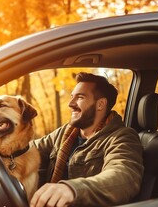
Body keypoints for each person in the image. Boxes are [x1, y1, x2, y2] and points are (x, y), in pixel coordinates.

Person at [30, 72, 144, 207]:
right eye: (72, 97)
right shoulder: (66, 132)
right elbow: (29, 150)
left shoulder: (122, 137)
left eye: (80, 97)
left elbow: (124, 176)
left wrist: (73, 189)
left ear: (100, 104)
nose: (70, 104)